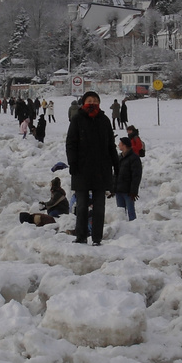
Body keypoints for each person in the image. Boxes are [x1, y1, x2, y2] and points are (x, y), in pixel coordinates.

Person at [66, 90, 120, 246]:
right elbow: (70, 144)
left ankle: (97, 238)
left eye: (96, 100)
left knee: (99, 207)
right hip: (81, 169)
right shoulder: (77, 120)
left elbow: (111, 145)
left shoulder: (104, 120)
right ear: (84, 102)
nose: (93, 103)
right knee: (82, 206)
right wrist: (72, 163)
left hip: (101, 169)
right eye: (90, 100)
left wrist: (116, 166)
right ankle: (81, 236)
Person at [113, 136, 143, 221]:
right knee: (120, 213)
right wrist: (113, 187)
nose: (118, 145)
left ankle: (133, 229)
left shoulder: (134, 158)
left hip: (128, 191)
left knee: (131, 213)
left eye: (120, 143)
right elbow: (115, 174)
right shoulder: (120, 157)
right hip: (119, 190)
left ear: (125, 145)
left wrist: (133, 191)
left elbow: (136, 175)